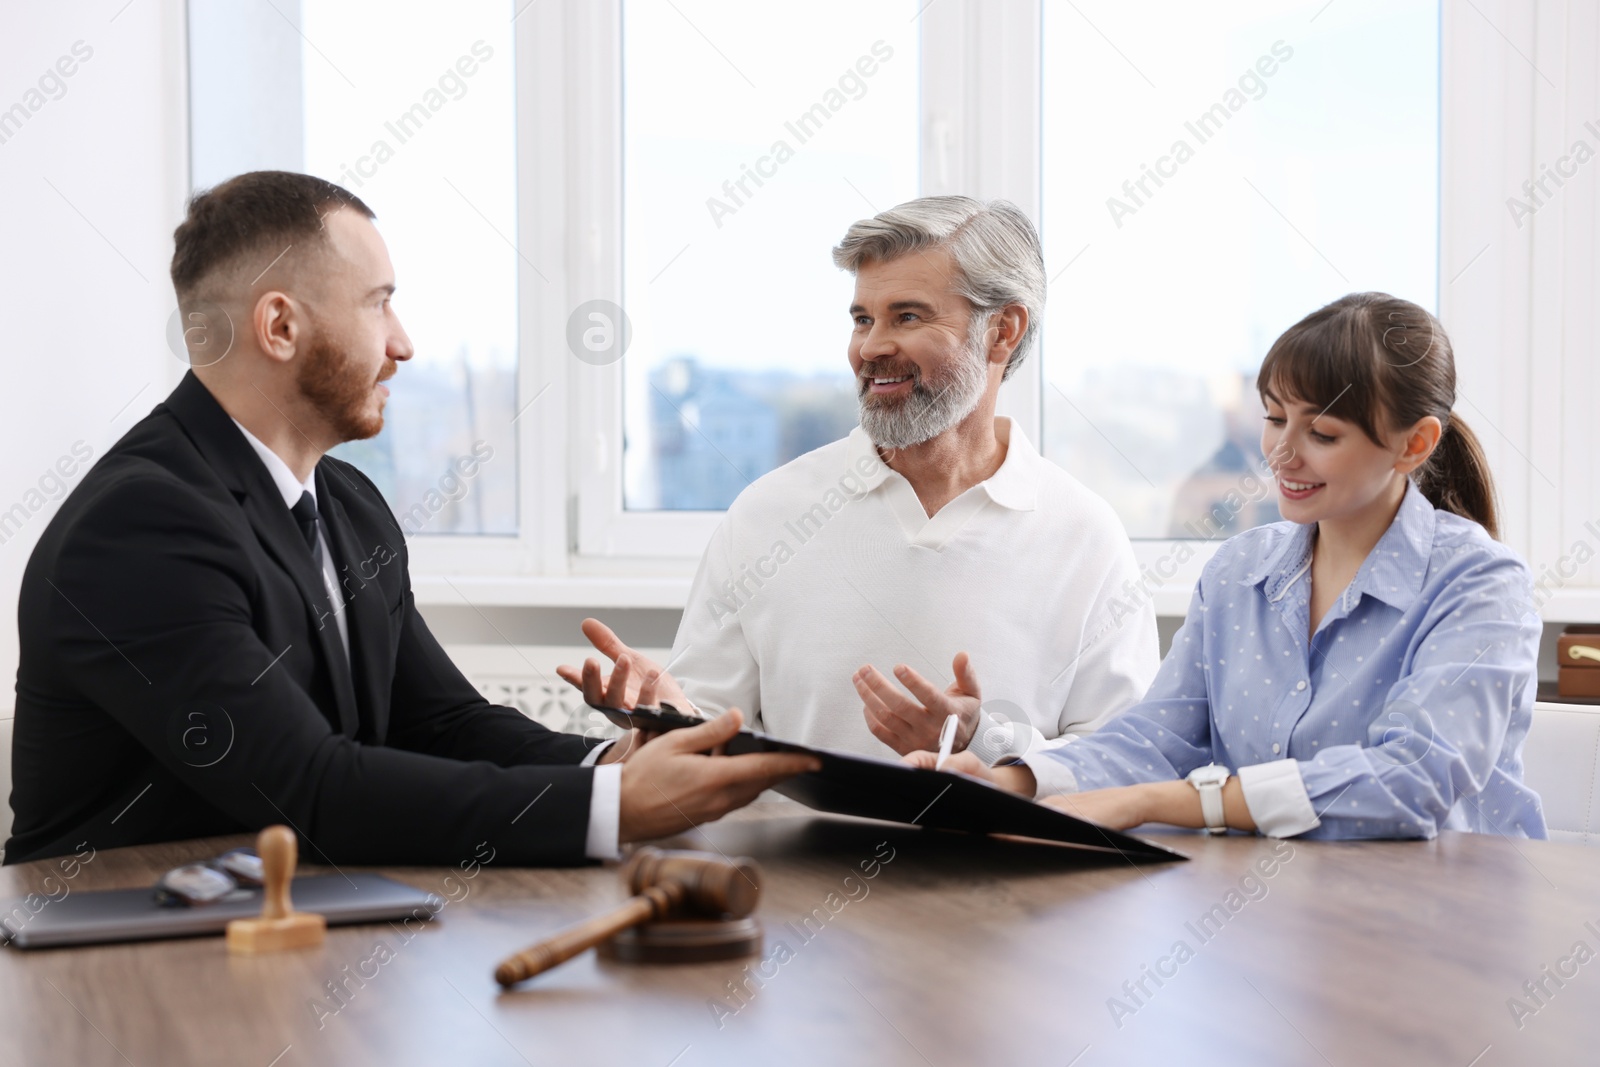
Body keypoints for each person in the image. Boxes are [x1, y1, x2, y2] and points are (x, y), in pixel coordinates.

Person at [5, 171, 816, 867]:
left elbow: (438, 720)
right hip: (117, 957)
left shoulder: (348, 505)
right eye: (379, 304)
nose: (404, 343)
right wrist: (616, 809)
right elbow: (307, 790)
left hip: (283, 927)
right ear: (280, 326)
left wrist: (619, 759)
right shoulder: (139, 526)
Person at [910, 293, 1546, 841]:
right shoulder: (1240, 571)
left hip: (1446, 926)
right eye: (1273, 420)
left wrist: (1166, 802)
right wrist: (1014, 782)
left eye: (1322, 434)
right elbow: (1159, 739)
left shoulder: (1480, 587)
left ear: (1415, 445)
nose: (1282, 455)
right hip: (1272, 914)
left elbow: (1414, 779)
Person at [561, 197, 1157, 765]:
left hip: (1013, 866)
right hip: (802, 866)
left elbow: (1125, 760)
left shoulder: (1085, 535)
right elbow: (708, 732)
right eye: (862, 319)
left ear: (1003, 330)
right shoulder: (767, 514)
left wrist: (984, 743)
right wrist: (663, 719)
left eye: (908, 316)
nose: (871, 348)